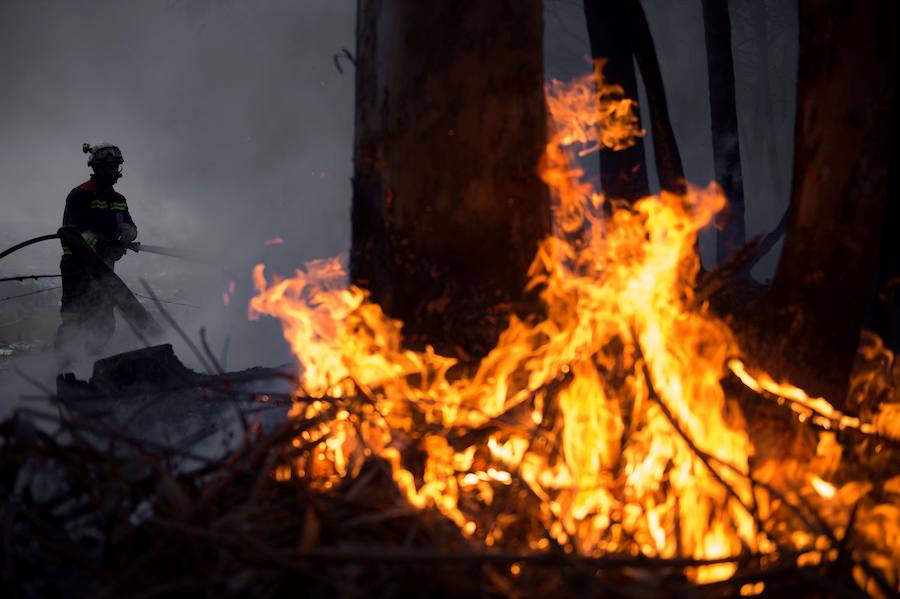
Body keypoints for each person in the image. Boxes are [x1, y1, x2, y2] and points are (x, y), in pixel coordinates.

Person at [54, 143, 138, 355]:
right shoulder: (80, 195)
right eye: (106, 167)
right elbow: (71, 234)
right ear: (95, 168)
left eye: (114, 167)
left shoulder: (120, 200)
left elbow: (130, 224)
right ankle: (62, 369)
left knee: (104, 323)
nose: (111, 172)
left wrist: (130, 232)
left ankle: (90, 364)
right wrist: (101, 245)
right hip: (77, 269)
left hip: (105, 268)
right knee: (74, 322)